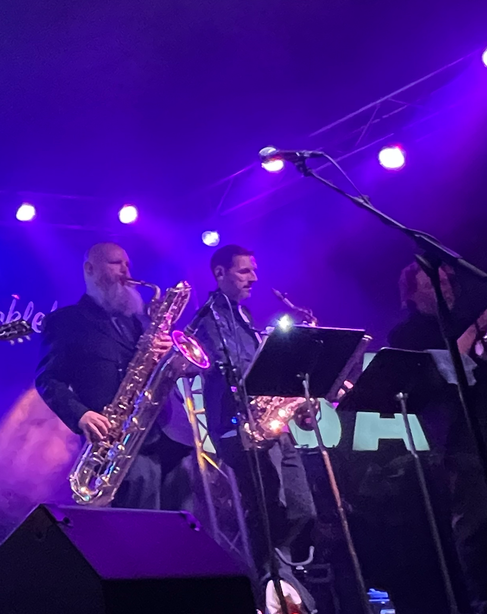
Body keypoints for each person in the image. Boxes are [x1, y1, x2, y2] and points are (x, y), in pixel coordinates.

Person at [184, 244, 316, 576]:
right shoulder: (210, 318)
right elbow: (233, 368)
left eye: (254, 270)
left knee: (302, 510)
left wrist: (291, 399)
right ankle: (273, 586)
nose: (254, 278)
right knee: (269, 512)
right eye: (244, 271)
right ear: (220, 274)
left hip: (272, 426)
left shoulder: (244, 316)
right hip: (240, 428)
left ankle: (284, 581)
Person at [35, 242, 189, 511]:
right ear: (90, 269)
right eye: (116, 263)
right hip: (118, 442)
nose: (125, 271)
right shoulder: (65, 321)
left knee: (180, 525)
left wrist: (168, 354)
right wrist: (81, 415)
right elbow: (48, 379)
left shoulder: (142, 320)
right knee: (138, 525)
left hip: (169, 437)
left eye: (127, 264)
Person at [389, 260, 487, 611]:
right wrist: (478, 327)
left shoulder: (460, 320)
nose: (445, 289)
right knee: (475, 518)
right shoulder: (408, 334)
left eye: (447, 282)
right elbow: (443, 368)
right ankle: (482, 601)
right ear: (412, 295)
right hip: (456, 432)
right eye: (433, 284)